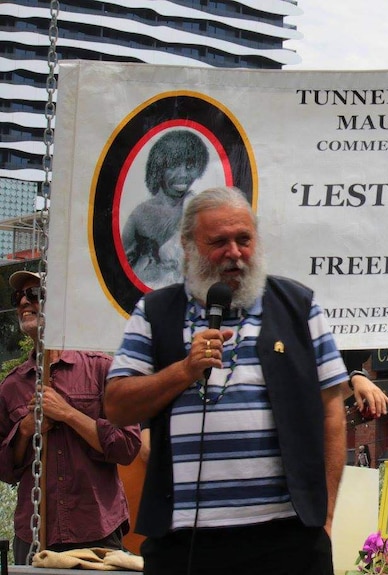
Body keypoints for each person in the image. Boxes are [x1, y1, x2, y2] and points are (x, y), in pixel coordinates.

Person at [105, 186, 347, 575]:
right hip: (186, 541)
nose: (234, 253)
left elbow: (331, 413)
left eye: (244, 239)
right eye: (219, 242)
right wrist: (183, 371)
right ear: (188, 247)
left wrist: (328, 514)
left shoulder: (299, 306)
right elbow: (116, 406)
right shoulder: (154, 311)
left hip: (288, 536)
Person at [0, 270, 142, 565]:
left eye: (36, 295)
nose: (25, 302)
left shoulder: (101, 369)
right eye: (19, 297)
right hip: (33, 534)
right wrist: (25, 430)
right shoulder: (11, 386)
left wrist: (68, 414)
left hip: (95, 531)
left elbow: (127, 447)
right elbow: (4, 470)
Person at [122, 129, 209, 289]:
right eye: (174, 165)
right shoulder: (139, 215)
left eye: (189, 166)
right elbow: (120, 270)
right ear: (158, 169)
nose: (183, 174)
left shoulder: (199, 208)